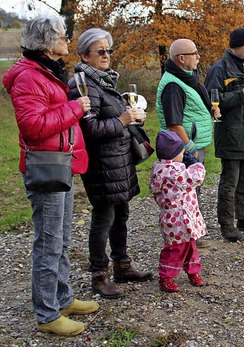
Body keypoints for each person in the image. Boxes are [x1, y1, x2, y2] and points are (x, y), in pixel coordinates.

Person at [3, 14, 99, 336]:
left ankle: (62, 297)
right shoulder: (29, 77)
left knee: (62, 238)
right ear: (47, 41)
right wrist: (75, 107)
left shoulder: (47, 72)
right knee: (49, 242)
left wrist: (70, 106)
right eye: (63, 36)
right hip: (46, 167)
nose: (67, 42)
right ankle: (46, 314)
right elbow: (32, 127)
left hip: (62, 164)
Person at [68, 28, 153, 299]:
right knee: (103, 217)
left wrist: (132, 119)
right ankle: (98, 274)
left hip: (119, 159)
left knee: (121, 215)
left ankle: (122, 265)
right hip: (101, 162)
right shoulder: (81, 84)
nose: (106, 55)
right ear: (84, 54)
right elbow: (89, 128)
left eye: (109, 50)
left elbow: (115, 117)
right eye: (100, 51)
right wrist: (122, 121)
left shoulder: (104, 80)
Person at [204, 28, 244, 242]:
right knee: (229, 183)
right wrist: (239, 95)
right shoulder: (219, 69)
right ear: (236, 45)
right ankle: (227, 224)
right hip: (231, 133)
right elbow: (212, 100)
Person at [156, 38, 220, 248]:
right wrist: (189, 149)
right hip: (182, 149)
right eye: (194, 53)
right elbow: (174, 124)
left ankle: (192, 234)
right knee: (185, 193)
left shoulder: (186, 79)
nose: (198, 57)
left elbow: (193, 107)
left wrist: (211, 110)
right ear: (182, 58)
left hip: (191, 145)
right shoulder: (173, 85)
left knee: (193, 191)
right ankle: (188, 237)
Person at [150, 130, 207, 292]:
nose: (183, 156)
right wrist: (195, 162)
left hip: (175, 219)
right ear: (173, 155)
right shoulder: (174, 173)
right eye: (182, 153)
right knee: (176, 249)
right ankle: (166, 276)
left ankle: (193, 272)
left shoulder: (160, 168)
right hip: (180, 220)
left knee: (190, 247)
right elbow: (197, 176)